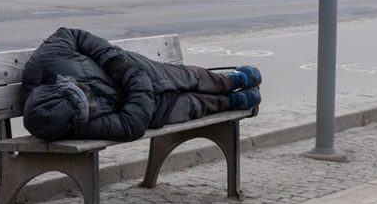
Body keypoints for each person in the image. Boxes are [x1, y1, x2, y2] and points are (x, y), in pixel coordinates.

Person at [20, 28, 262, 142]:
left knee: (190, 77)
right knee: (192, 105)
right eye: (88, 110)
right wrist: (140, 89)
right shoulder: (71, 126)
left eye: (84, 96)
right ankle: (232, 101)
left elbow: (73, 35)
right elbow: (130, 127)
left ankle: (231, 81)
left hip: (133, 68)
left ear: (58, 83)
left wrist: (114, 60)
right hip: (151, 108)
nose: (91, 105)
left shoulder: (46, 61)